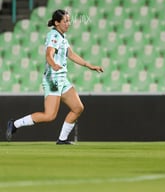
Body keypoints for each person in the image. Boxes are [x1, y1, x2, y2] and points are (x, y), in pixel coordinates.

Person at [6, 9, 104, 144]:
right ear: (57, 23)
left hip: (62, 79)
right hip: (53, 79)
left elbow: (71, 54)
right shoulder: (54, 36)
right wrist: (53, 64)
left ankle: (62, 139)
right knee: (49, 115)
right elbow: (49, 54)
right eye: (65, 21)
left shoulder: (62, 37)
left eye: (69, 20)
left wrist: (89, 65)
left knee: (77, 108)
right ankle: (15, 124)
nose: (68, 23)